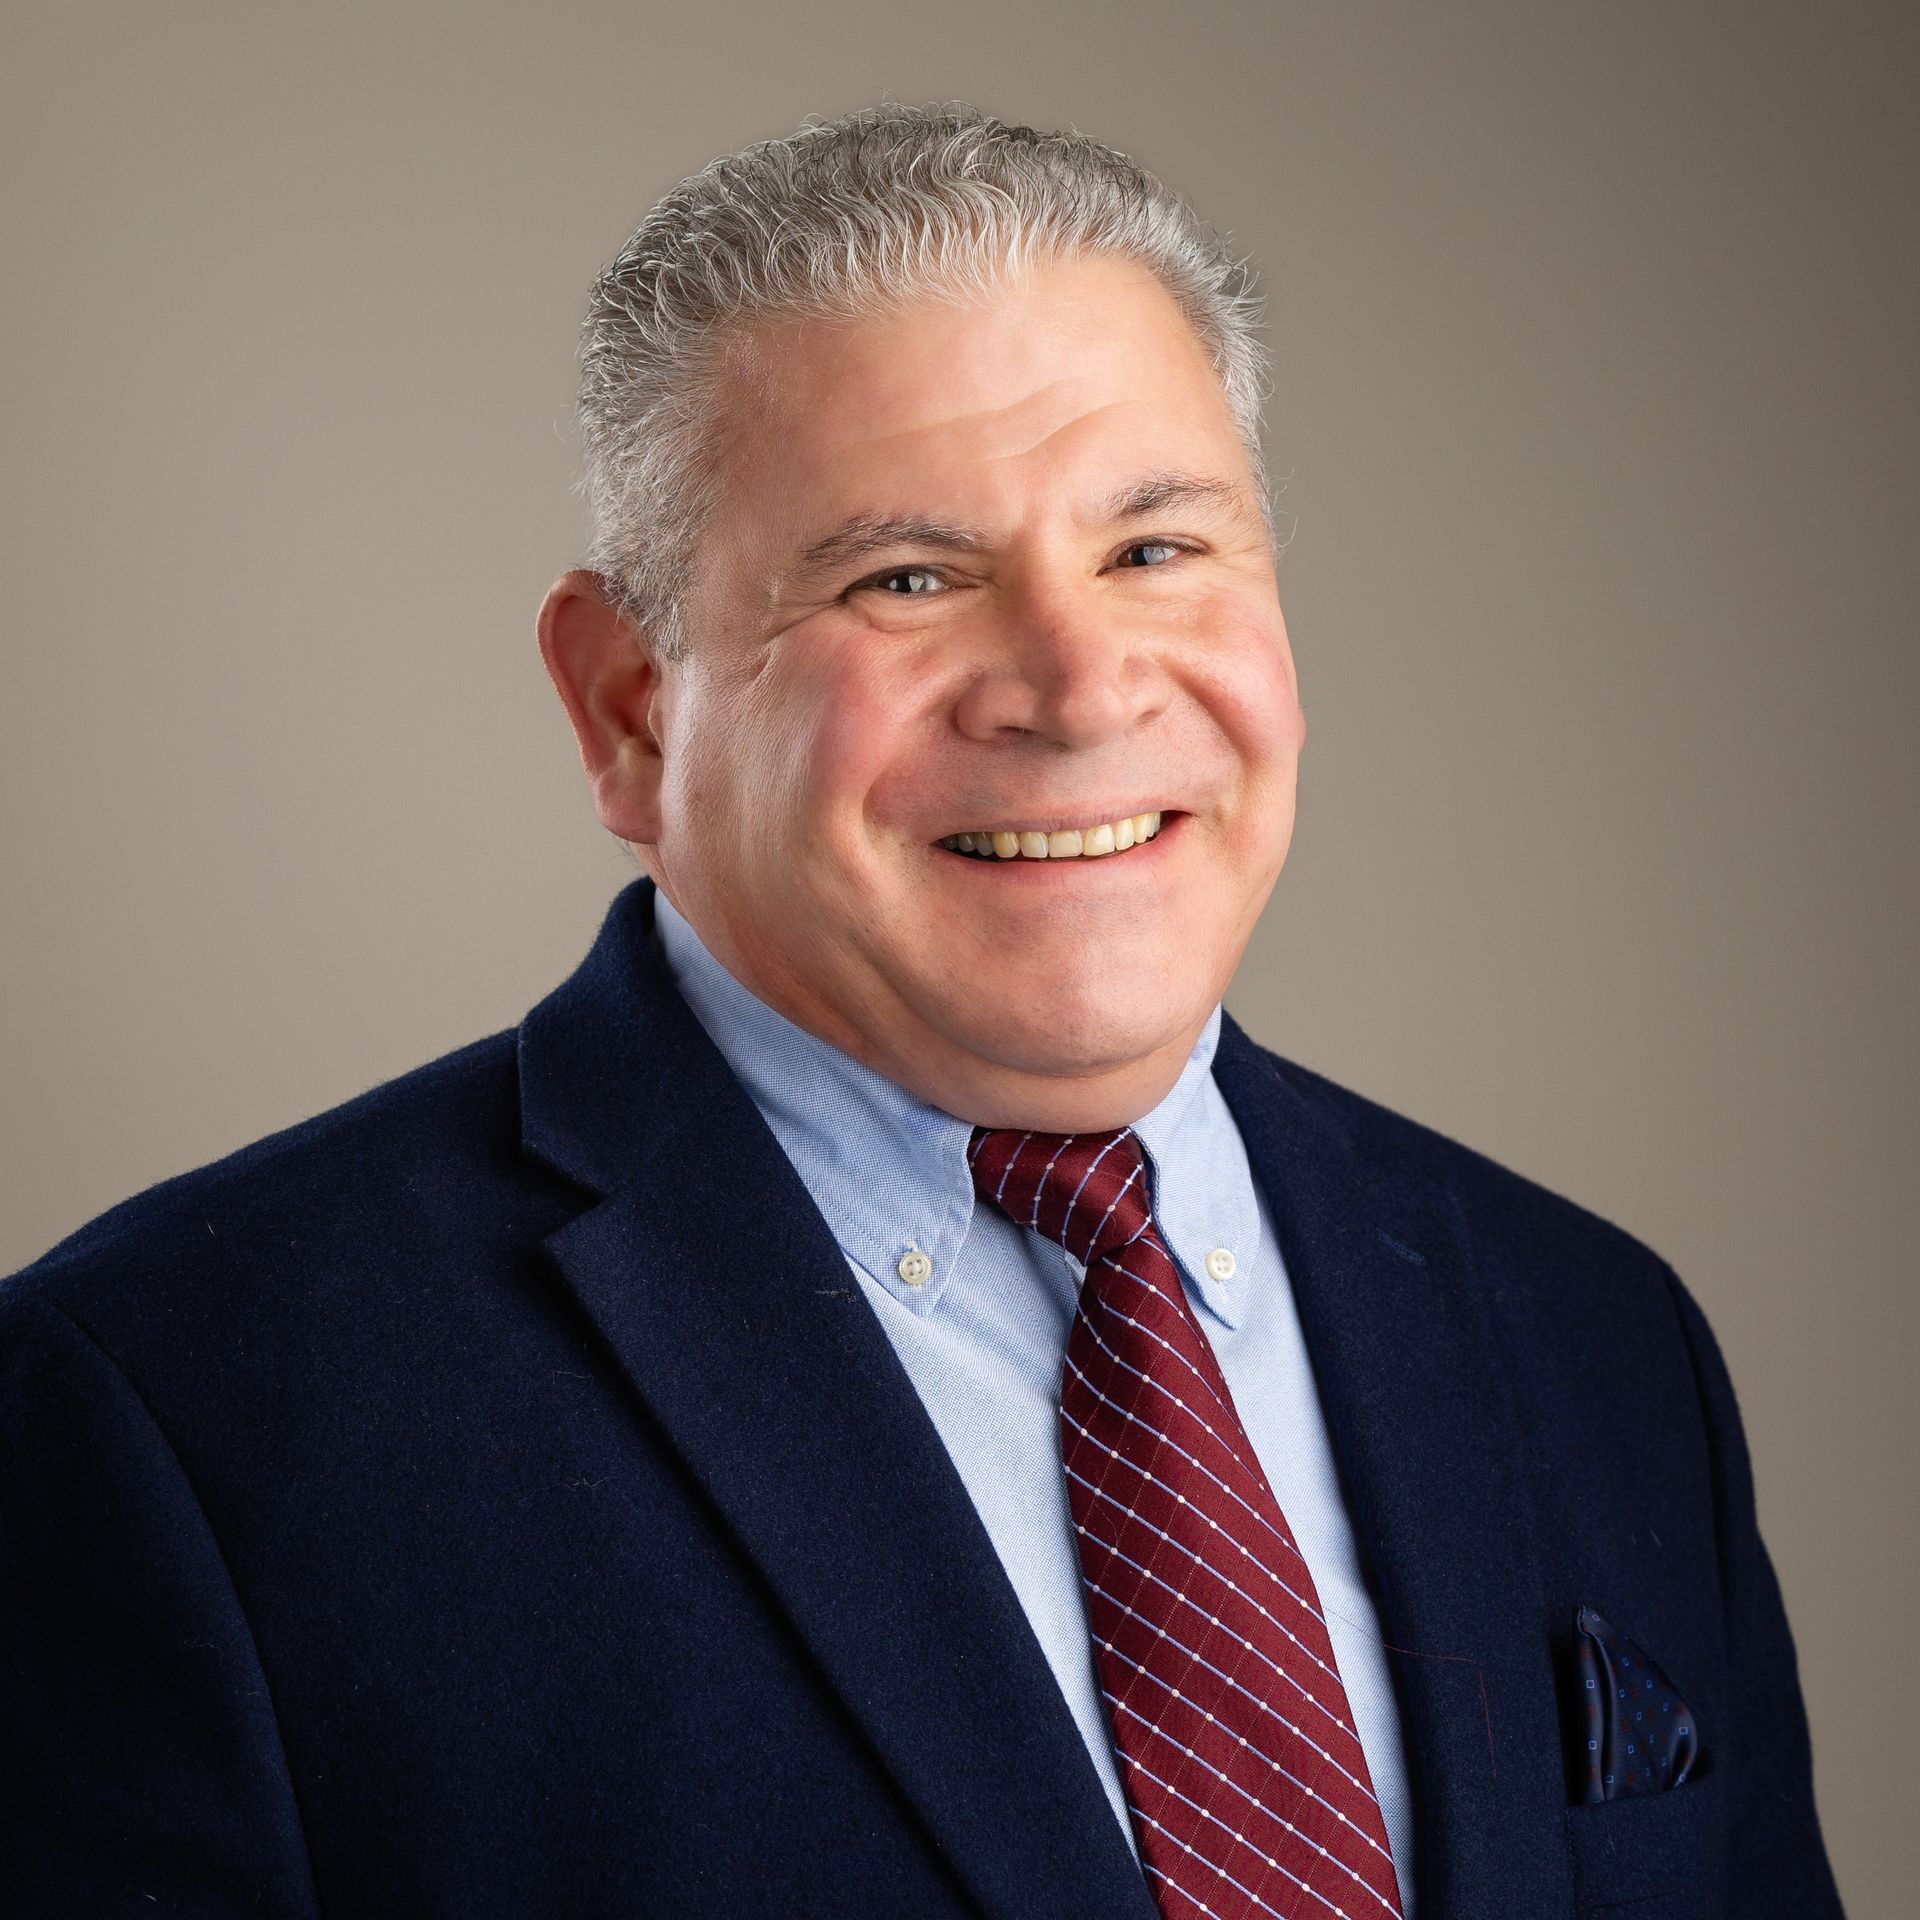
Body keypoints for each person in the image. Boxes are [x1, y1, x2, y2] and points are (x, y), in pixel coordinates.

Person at [0, 101, 1843, 1919]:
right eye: (908, 577)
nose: (1076, 684)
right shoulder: (172, 1423)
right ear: (633, 708)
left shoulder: (1595, 1340)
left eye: (1156, 549)